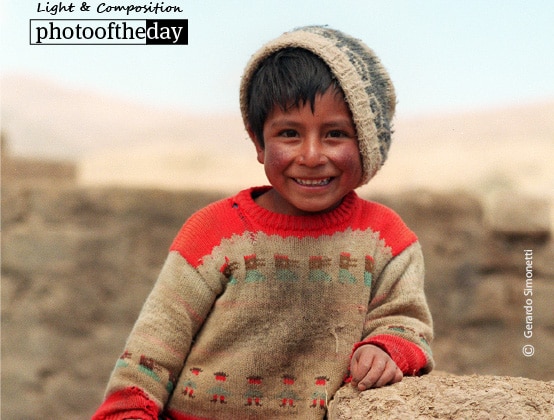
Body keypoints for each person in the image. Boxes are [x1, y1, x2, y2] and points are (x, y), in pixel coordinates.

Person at [92, 25, 434, 420]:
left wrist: (386, 349)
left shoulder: (386, 239)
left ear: (369, 144)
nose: (310, 155)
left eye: (335, 134)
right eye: (289, 133)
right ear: (258, 142)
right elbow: (151, 352)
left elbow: (407, 321)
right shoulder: (215, 233)